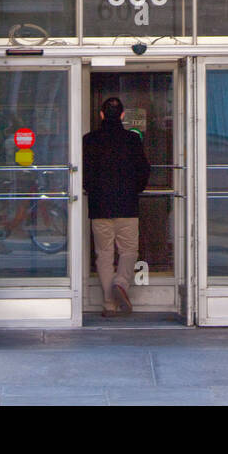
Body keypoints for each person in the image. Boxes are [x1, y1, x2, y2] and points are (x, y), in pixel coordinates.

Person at [82, 96, 150, 316]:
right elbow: (143, 171)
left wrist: (93, 191)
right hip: (127, 206)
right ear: (122, 115)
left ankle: (109, 304)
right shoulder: (132, 140)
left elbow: (84, 174)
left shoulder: (89, 140)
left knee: (103, 254)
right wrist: (134, 190)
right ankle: (120, 283)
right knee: (129, 251)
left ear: (101, 115)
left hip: (99, 207)